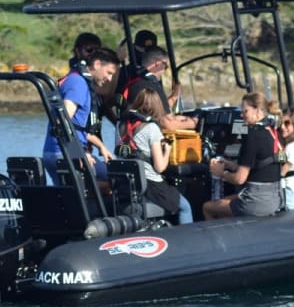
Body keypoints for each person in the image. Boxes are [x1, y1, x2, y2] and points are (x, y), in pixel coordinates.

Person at [43, 47, 120, 185]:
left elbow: (77, 127)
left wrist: (101, 146)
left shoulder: (78, 80)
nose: (110, 78)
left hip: (58, 152)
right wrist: (80, 153)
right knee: (121, 176)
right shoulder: (78, 83)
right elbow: (63, 123)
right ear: (97, 64)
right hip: (64, 154)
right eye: (109, 73)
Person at [117, 88, 194, 224]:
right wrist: (168, 148)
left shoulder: (122, 126)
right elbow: (160, 167)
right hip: (151, 185)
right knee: (185, 207)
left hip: (130, 186)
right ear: (156, 107)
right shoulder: (152, 129)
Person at [203, 92, 283, 219]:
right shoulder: (275, 133)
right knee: (226, 200)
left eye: (245, 111)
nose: (241, 115)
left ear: (257, 111)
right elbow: (259, 165)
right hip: (275, 199)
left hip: (257, 202)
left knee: (208, 207)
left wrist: (220, 173)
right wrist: (229, 164)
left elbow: (239, 179)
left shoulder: (252, 135)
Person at [121, 45, 196, 132]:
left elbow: (158, 110)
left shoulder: (135, 81)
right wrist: (193, 123)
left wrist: (174, 96)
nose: (165, 69)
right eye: (166, 65)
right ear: (158, 63)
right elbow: (168, 125)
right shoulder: (151, 86)